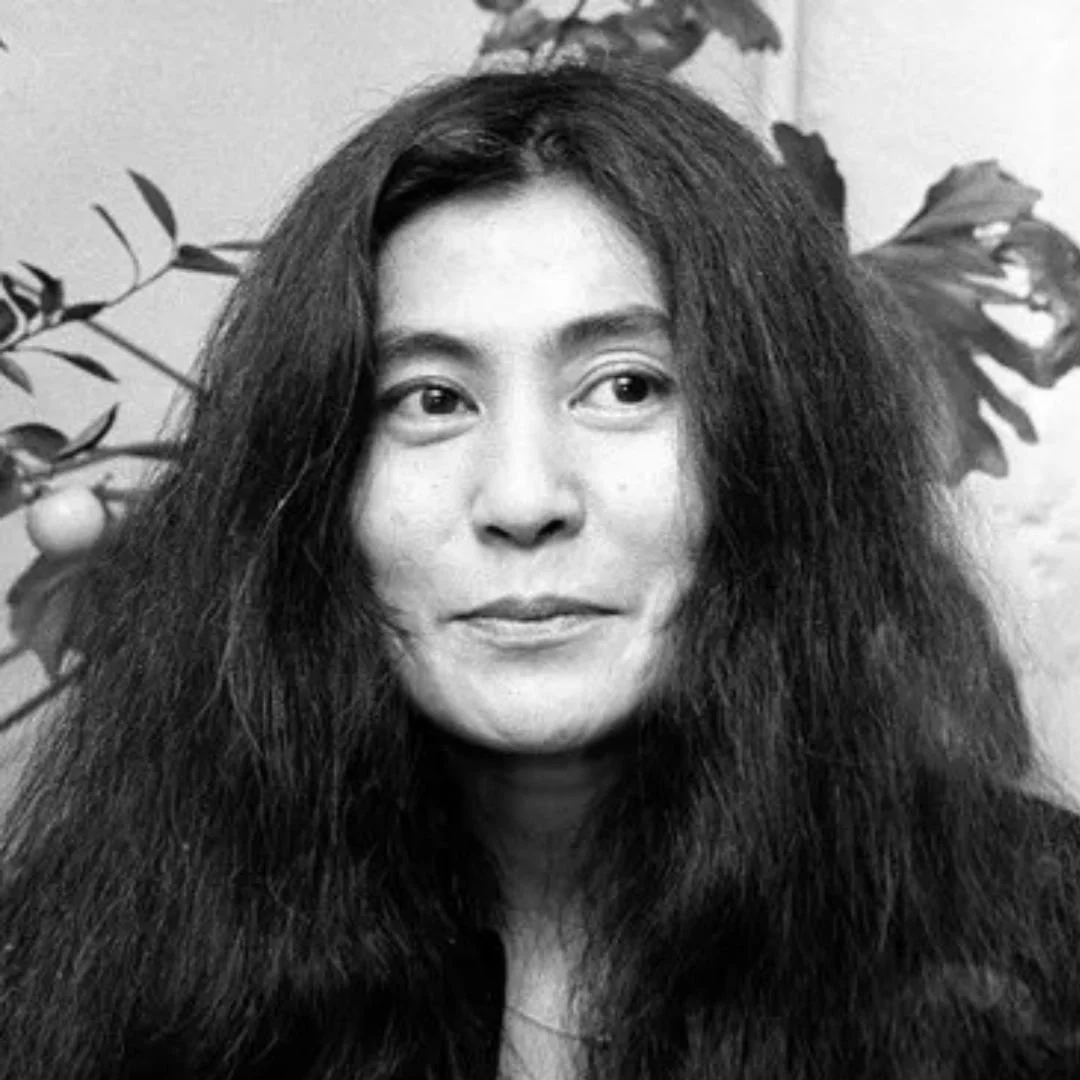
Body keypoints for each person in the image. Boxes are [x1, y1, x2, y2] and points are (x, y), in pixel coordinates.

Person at [1, 58, 1079, 1080]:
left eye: (626, 387)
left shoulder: (1046, 951)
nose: (523, 500)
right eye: (431, 399)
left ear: (779, 447)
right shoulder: (104, 960)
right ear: (316, 482)